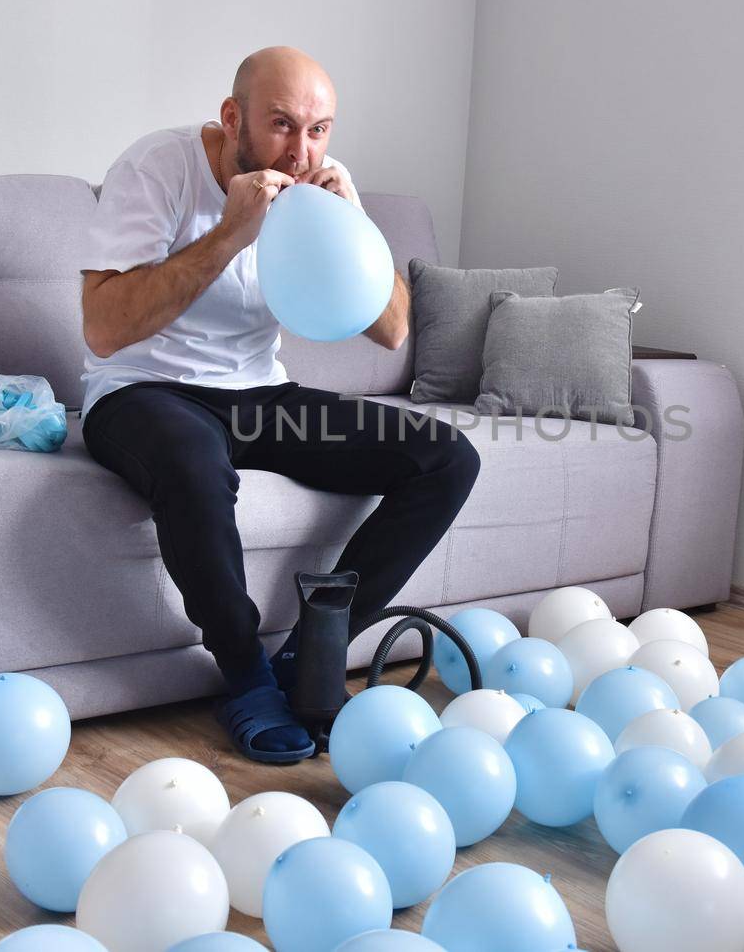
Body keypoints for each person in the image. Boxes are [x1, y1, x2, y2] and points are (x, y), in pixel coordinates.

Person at [78, 46, 480, 763]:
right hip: (142, 390)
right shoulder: (156, 168)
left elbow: (391, 332)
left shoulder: (321, 184)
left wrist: (353, 217)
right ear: (233, 117)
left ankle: (309, 659)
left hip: (260, 395)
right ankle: (243, 673)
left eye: (319, 130)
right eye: (282, 126)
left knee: (446, 456)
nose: (300, 152)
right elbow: (105, 329)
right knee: (192, 463)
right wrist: (232, 232)